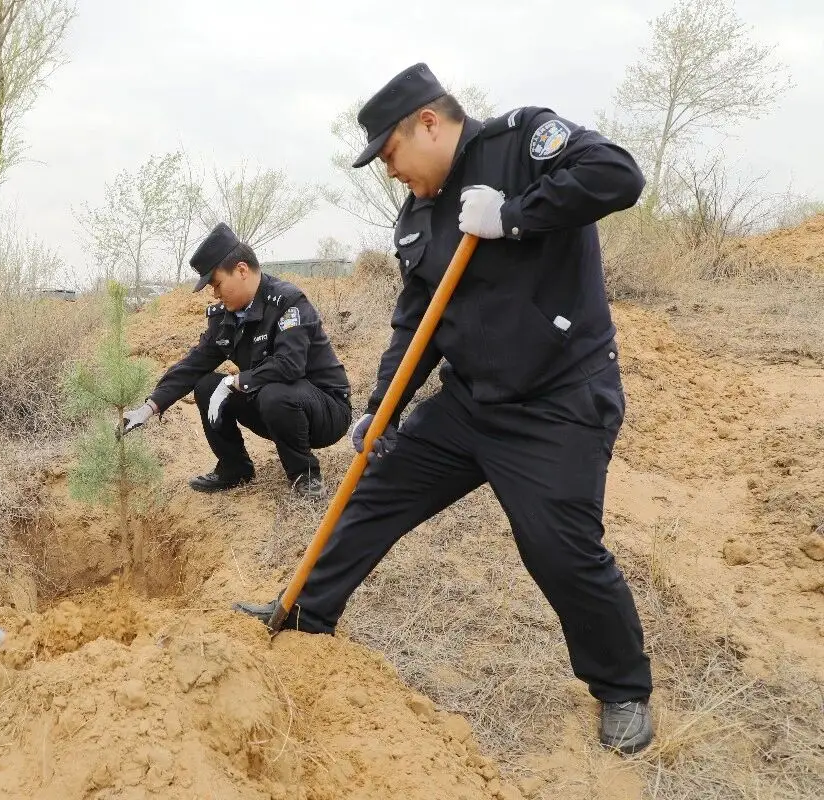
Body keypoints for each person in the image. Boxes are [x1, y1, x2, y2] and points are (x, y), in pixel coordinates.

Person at [233, 63, 655, 755]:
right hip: (468, 402)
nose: (390, 171)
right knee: (371, 494)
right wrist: (382, 407)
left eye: (391, 154)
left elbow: (619, 177)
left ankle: (622, 688)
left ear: (428, 123)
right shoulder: (417, 220)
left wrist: (514, 218)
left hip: (559, 400)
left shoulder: (521, 143)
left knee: (558, 548)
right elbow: (415, 325)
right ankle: (305, 615)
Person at [119, 222, 352, 499]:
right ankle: (234, 467)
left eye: (217, 284)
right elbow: (194, 364)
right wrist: (148, 408)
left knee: (274, 392)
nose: (215, 294)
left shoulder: (288, 302)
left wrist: (234, 381)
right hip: (275, 410)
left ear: (241, 270)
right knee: (206, 385)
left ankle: (306, 476)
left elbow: (289, 365)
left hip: (325, 411)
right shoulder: (226, 317)